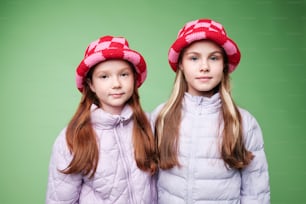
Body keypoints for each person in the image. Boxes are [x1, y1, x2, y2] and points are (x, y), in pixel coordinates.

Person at [151, 19, 270, 203]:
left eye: (214, 58)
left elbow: (256, 191)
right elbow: (148, 182)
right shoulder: (161, 116)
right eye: (194, 58)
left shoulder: (243, 122)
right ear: (181, 64)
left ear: (224, 65)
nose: (204, 66)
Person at [46, 35, 158, 204]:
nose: (116, 84)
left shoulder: (149, 125)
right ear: (91, 84)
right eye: (104, 76)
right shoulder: (74, 137)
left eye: (124, 74)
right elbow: (60, 200)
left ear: (134, 78)